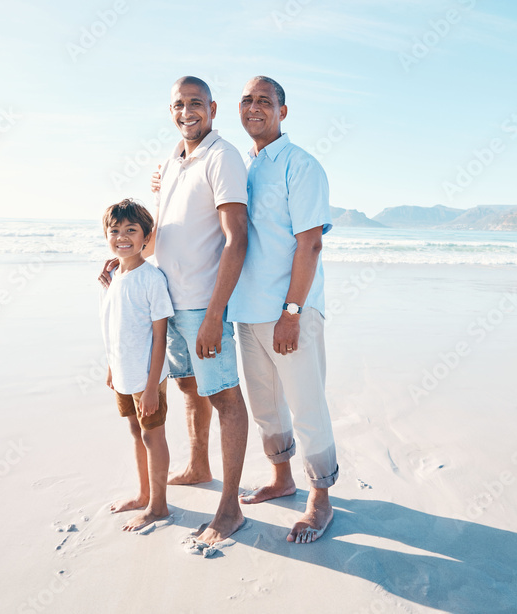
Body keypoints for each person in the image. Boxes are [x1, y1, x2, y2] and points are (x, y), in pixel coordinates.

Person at [101, 76, 250, 546]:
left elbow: (236, 237)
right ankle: (198, 465)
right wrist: (130, 260)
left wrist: (213, 314)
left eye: (196, 103)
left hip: (203, 302)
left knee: (224, 394)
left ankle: (230, 508)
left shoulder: (223, 155)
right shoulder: (173, 158)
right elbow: (162, 224)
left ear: (213, 107)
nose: (187, 111)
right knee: (187, 386)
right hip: (166, 295)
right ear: (171, 111)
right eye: (179, 105)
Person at [230, 76, 339, 543]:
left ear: (283, 111)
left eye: (265, 101)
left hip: (290, 312)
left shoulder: (301, 165)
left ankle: (321, 498)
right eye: (247, 100)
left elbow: (310, 243)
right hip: (246, 311)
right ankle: (282, 478)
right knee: (266, 407)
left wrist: (292, 311)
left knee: (307, 405)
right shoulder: (242, 167)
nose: (255, 107)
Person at [100, 199, 174, 533]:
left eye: (131, 230)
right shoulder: (115, 275)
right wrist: (112, 367)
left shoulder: (151, 278)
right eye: (115, 231)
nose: (122, 237)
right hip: (124, 373)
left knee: (152, 435)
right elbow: (115, 325)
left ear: (147, 237)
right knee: (135, 432)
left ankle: (159, 506)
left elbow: (160, 337)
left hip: (147, 377)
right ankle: (144, 493)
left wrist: (151, 386)